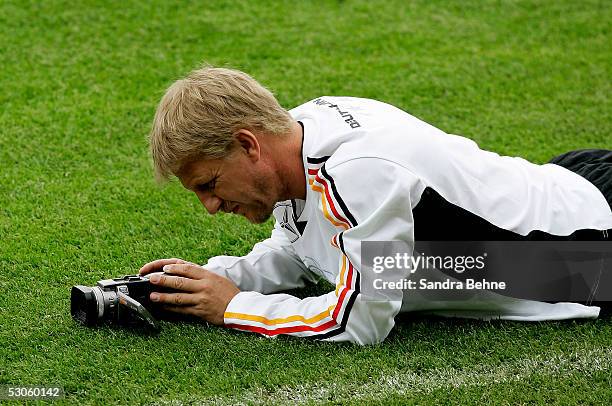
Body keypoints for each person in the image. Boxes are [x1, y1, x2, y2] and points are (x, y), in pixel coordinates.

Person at [139, 66, 612, 345]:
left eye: (210, 183)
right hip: (565, 183)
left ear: (249, 144)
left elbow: (360, 322)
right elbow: (302, 248)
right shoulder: (297, 132)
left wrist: (235, 307)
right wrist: (210, 280)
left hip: (586, 255)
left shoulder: (359, 172)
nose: (210, 205)